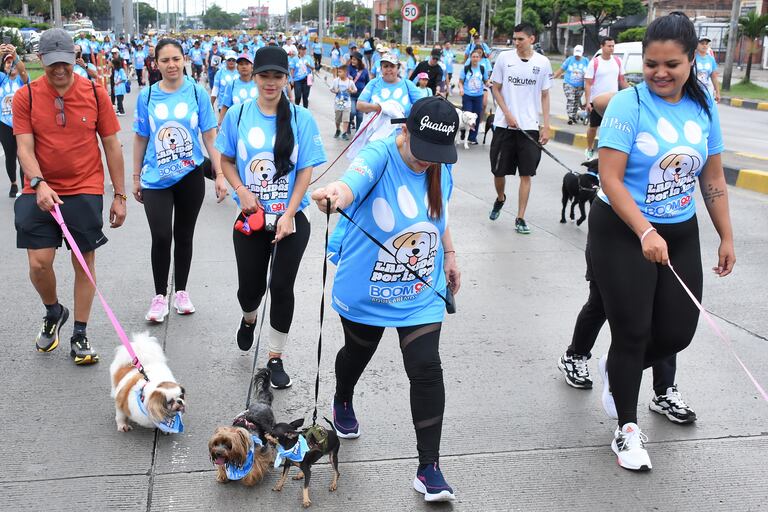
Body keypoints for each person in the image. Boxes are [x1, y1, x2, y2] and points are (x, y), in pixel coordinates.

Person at [589, 13, 734, 471]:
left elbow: (712, 177)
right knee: (632, 330)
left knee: (676, 332)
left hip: (679, 228)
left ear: (693, 59)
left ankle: (618, 374)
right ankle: (627, 429)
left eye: (671, 63)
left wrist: (725, 235)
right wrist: (644, 230)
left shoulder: (703, 104)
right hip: (621, 229)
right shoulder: (628, 105)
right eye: (651, 64)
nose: (660, 73)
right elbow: (609, 179)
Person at [310, 96, 461, 503]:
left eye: (437, 154)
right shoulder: (379, 152)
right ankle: (342, 397)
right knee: (358, 354)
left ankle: (429, 467)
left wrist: (449, 254)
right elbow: (352, 180)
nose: (428, 161)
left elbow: (438, 213)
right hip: (368, 288)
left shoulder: (438, 164)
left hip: (420, 287)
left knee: (427, 368)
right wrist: (335, 194)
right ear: (404, 130)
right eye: (423, 151)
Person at [215, 46, 327, 389]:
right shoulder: (237, 114)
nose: (270, 82)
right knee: (250, 290)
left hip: (291, 219)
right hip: (250, 219)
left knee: (281, 286)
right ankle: (249, 318)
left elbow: (306, 170)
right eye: (265, 75)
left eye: (278, 76)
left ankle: (275, 357)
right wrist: (241, 191)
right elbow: (226, 160)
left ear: (286, 77)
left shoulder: (301, 119)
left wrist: (291, 212)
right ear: (255, 76)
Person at [13, 28, 126, 365]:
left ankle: (80, 332)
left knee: (84, 264)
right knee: (39, 263)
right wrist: (38, 182)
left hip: (84, 188)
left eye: (65, 63)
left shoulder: (95, 92)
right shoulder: (26, 97)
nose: (59, 70)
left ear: (76, 58)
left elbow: (111, 145)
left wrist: (120, 194)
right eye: (52, 64)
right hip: (39, 187)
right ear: (39, 60)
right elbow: (24, 146)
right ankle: (53, 311)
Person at [132, 39, 226, 323]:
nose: (171, 65)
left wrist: (220, 174)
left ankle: (181, 292)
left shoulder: (197, 93)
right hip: (155, 178)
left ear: (184, 59)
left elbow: (210, 136)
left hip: (190, 175)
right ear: (156, 63)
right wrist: (135, 177)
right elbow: (140, 137)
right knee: (161, 236)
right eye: (165, 60)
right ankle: (159, 296)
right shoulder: (147, 96)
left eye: (176, 59)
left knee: (184, 236)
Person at [488, 22, 552, 234]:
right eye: (514, 39)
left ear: (531, 39)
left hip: (529, 128)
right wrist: (506, 113)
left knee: (526, 174)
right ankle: (500, 198)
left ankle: (520, 217)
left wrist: (546, 126)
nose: (516, 43)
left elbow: (544, 95)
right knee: (498, 171)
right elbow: (495, 88)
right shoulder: (504, 59)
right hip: (504, 125)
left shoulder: (543, 63)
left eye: (520, 39)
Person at [584, 36, 628, 160]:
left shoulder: (618, 61)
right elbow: (587, 83)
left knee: (610, 127)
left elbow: (622, 81)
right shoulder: (595, 62)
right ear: (602, 47)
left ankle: (607, 153)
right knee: (593, 127)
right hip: (596, 101)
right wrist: (588, 102)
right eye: (609, 46)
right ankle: (589, 149)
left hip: (613, 102)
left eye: (613, 46)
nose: (611, 48)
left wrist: (632, 93)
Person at [1, 44, 29, 197]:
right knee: (10, 155)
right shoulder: (1, 79)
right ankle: (13, 184)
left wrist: (15, 55)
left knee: (23, 155)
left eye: (12, 62)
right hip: (4, 124)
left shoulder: (21, 79)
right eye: (7, 62)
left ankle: (25, 187)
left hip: (21, 124)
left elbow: (23, 72)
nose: (10, 64)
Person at [356, 53, 422, 118]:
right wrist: (381, 108)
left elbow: (422, 105)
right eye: (385, 66)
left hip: (401, 128)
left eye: (392, 66)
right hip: (375, 128)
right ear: (381, 69)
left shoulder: (408, 85)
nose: (388, 69)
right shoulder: (373, 83)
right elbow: (359, 105)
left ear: (398, 68)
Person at [458, 48, 489, 145]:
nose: (475, 59)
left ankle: (472, 137)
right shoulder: (466, 68)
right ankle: (463, 131)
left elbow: (485, 81)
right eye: (473, 57)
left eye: (477, 57)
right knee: (467, 114)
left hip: (478, 96)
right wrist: (461, 89)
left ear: (480, 58)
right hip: (467, 95)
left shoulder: (482, 69)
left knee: (476, 115)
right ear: (471, 58)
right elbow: (460, 82)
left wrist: (489, 83)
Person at [218, 53, 258, 124]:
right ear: (237, 67)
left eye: (246, 64)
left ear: (252, 67)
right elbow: (225, 106)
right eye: (241, 64)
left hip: (255, 124)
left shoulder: (259, 84)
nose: (244, 66)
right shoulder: (231, 85)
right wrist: (220, 124)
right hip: (235, 124)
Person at [553, 44, 588, 124]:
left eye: (579, 55)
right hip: (569, 83)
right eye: (576, 55)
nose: (577, 57)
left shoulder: (586, 61)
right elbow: (561, 70)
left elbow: (589, 73)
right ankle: (570, 117)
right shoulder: (569, 60)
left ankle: (574, 116)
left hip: (580, 85)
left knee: (576, 101)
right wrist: (553, 77)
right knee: (571, 99)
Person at [331, 64, 356, 140]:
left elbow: (355, 90)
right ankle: (338, 129)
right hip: (338, 103)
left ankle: (344, 133)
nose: (338, 73)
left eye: (340, 72)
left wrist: (351, 91)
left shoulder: (350, 82)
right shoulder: (336, 81)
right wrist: (335, 91)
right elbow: (331, 89)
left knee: (346, 119)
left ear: (345, 72)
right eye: (338, 72)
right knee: (337, 119)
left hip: (347, 104)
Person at [346, 52, 369, 136]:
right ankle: (348, 125)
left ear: (359, 60)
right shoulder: (349, 68)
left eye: (354, 59)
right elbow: (345, 76)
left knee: (360, 116)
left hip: (361, 96)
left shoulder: (365, 71)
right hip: (351, 95)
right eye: (352, 59)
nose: (352, 61)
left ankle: (358, 133)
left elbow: (367, 83)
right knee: (352, 112)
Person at [695, 37, 720, 102]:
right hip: (693, 90)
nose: (704, 45)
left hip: (706, 91)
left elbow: (714, 77)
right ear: (697, 45)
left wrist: (717, 92)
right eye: (702, 43)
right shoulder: (692, 57)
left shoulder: (711, 59)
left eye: (706, 44)